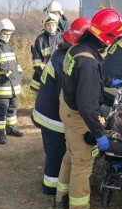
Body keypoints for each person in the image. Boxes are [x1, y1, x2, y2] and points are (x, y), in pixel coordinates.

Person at [56, 8, 122, 209]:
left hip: (67, 108)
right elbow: (87, 107)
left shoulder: (77, 50)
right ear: (107, 37)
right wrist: (98, 134)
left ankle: (62, 198)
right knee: (83, 162)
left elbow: (82, 78)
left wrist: (107, 81)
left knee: (71, 155)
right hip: (79, 116)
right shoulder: (88, 63)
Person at [31, 17, 90, 197]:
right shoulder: (66, 60)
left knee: (54, 153)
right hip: (52, 117)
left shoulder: (60, 54)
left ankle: (53, 185)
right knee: (56, 155)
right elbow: (68, 95)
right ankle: (50, 188)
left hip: (45, 111)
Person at [0, 18, 24, 144]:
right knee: (1, 110)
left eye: (9, 34)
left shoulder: (9, 46)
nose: (7, 36)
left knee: (12, 109)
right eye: (5, 33)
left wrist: (19, 73)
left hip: (14, 86)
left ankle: (11, 129)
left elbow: (15, 62)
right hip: (1, 87)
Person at [30, 12, 64, 92]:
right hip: (44, 78)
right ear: (45, 26)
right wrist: (45, 77)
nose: (51, 27)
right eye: (48, 25)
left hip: (60, 78)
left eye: (53, 25)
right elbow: (36, 63)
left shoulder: (62, 38)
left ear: (57, 25)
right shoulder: (40, 40)